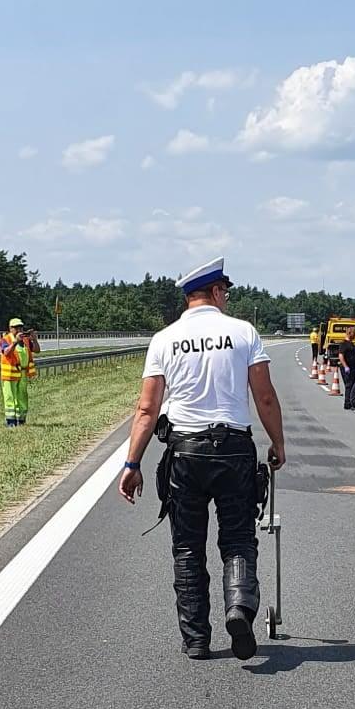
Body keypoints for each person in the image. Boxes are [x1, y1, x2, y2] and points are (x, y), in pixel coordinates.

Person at [117, 258, 287, 661]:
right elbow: (264, 396)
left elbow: (146, 409)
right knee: (239, 540)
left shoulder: (165, 339)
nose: (227, 298)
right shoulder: (243, 332)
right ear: (213, 292)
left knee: (188, 548)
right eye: (224, 291)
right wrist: (278, 443)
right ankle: (238, 609)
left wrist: (132, 463)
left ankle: (195, 638)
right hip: (233, 451)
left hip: (185, 454)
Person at [0, 317, 40, 427]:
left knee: (22, 396)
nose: (19, 330)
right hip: (10, 374)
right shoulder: (5, 339)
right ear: (10, 329)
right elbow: (6, 352)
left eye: (20, 327)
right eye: (16, 328)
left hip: (23, 373)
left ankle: (21, 420)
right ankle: (11, 422)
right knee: (10, 397)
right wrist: (15, 341)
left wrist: (34, 339)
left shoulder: (25, 340)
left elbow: (37, 350)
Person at [338, 336, 355, 409]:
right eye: (354, 335)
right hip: (347, 367)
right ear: (351, 334)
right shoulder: (344, 344)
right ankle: (347, 403)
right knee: (349, 385)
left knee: (352, 385)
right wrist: (345, 366)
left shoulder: (351, 344)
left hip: (352, 366)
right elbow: (341, 355)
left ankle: (351, 402)